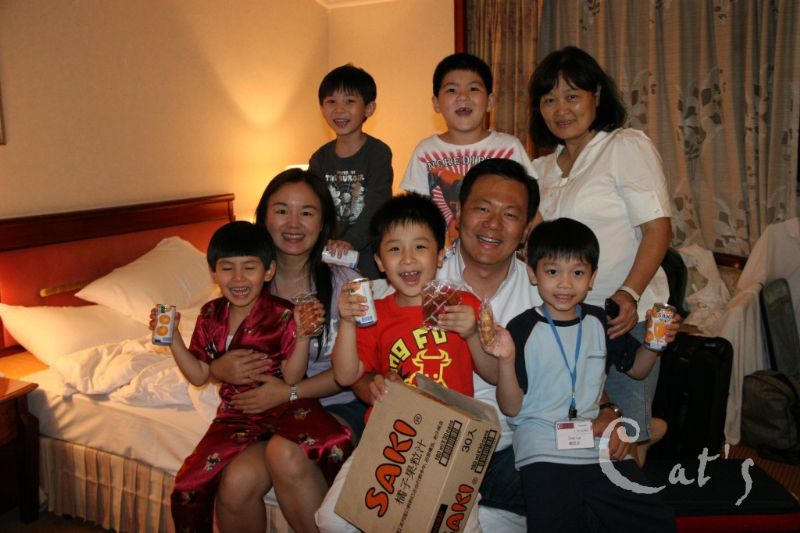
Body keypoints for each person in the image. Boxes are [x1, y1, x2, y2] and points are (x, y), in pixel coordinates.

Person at [315, 193, 498, 532]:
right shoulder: (376, 314)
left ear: (441, 254)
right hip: (390, 437)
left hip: (453, 441)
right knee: (330, 520)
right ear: (379, 261)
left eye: (420, 247)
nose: (408, 259)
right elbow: (345, 375)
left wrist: (473, 335)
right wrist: (348, 322)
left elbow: (494, 374)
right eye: (395, 249)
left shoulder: (464, 304)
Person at [156, 220, 352, 533]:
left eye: (249, 268)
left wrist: (303, 337)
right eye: (227, 268)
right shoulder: (210, 315)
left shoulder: (283, 312)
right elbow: (199, 375)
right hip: (237, 414)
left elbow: (291, 377)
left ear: (268, 271)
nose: (238, 278)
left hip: (285, 406)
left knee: (334, 442)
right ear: (214, 273)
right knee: (189, 481)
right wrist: (173, 339)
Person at [529, 46, 673, 462]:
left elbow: (658, 229)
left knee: (624, 440)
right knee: (579, 433)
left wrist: (629, 293)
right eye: (549, 99)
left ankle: (642, 452)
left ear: (596, 96)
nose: (561, 109)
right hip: (566, 323)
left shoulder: (624, 146)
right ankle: (650, 430)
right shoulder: (540, 169)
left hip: (621, 317)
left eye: (572, 96)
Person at [490, 218, 676, 532]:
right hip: (543, 446)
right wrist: (506, 361)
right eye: (553, 272)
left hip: (595, 441)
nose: (565, 284)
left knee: (656, 521)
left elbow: (639, 369)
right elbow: (510, 408)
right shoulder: (522, 328)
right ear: (533, 273)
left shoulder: (600, 322)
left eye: (577, 273)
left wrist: (655, 343)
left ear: (592, 278)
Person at [209, 170, 367, 533]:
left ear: (323, 222)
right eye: (282, 211)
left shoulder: (345, 283)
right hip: (271, 412)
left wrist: (289, 392)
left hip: (339, 405)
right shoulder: (247, 281)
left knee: (285, 452)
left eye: (307, 213)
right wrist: (219, 369)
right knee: (234, 484)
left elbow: (356, 371)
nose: (293, 223)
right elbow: (220, 349)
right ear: (263, 217)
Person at [400, 52, 536, 245]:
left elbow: (531, 208)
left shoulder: (509, 148)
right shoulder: (426, 152)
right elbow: (415, 216)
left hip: (500, 254)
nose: (463, 97)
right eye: (451, 90)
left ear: (490, 101)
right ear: (436, 103)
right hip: (445, 259)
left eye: (473, 89)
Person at [309, 64, 393, 279]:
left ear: (369, 108)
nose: (339, 109)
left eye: (349, 101)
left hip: (370, 261)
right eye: (331, 101)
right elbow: (314, 207)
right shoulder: (319, 159)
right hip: (330, 258)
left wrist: (350, 241)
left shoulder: (378, 153)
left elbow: (378, 205)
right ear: (321, 108)